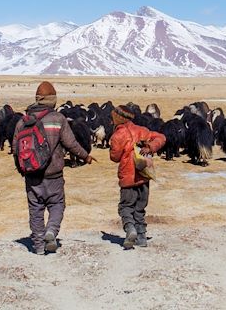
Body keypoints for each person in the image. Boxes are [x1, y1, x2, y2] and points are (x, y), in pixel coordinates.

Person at [16, 81, 96, 255]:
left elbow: (16, 150)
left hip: (32, 175)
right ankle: (51, 232)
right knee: (57, 204)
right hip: (54, 175)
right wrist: (85, 156)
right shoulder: (58, 119)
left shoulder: (23, 121)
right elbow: (71, 143)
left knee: (35, 210)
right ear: (52, 100)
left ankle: (38, 246)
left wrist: (23, 171)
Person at [109, 105, 166, 249]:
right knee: (140, 207)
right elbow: (161, 137)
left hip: (128, 177)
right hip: (144, 175)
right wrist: (150, 147)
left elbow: (114, 157)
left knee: (126, 207)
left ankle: (130, 229)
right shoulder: (142, 130)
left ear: (118, 118)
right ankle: (141, 237)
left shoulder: (117, 135)